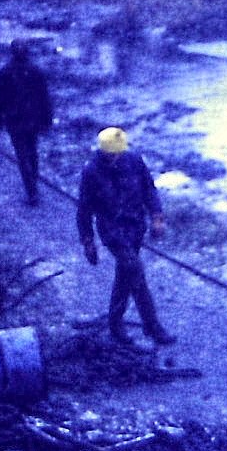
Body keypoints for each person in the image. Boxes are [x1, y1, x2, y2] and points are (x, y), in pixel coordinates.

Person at [76, 127, 175, 347]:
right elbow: (84, 209)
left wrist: (156, 217)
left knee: (125, 275)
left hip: (135, 228)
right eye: (112, 155)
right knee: (135, 272)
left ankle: (114, 322)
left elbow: (149, 190)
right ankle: (152, 326)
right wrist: (88, 242)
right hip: (113, 232)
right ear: (103, 153)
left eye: (119, 153)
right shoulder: (91, 172)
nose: (116, 158)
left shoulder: (134, 161)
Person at [0, 39, 54, 206]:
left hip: (14, 120)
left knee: (22, 154)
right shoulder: (36, 72)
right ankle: (33, 184)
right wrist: (47, 120)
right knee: (32, 152)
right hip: (33, 119)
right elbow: (45, 98)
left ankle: (32, 190)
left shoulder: (4, 73)